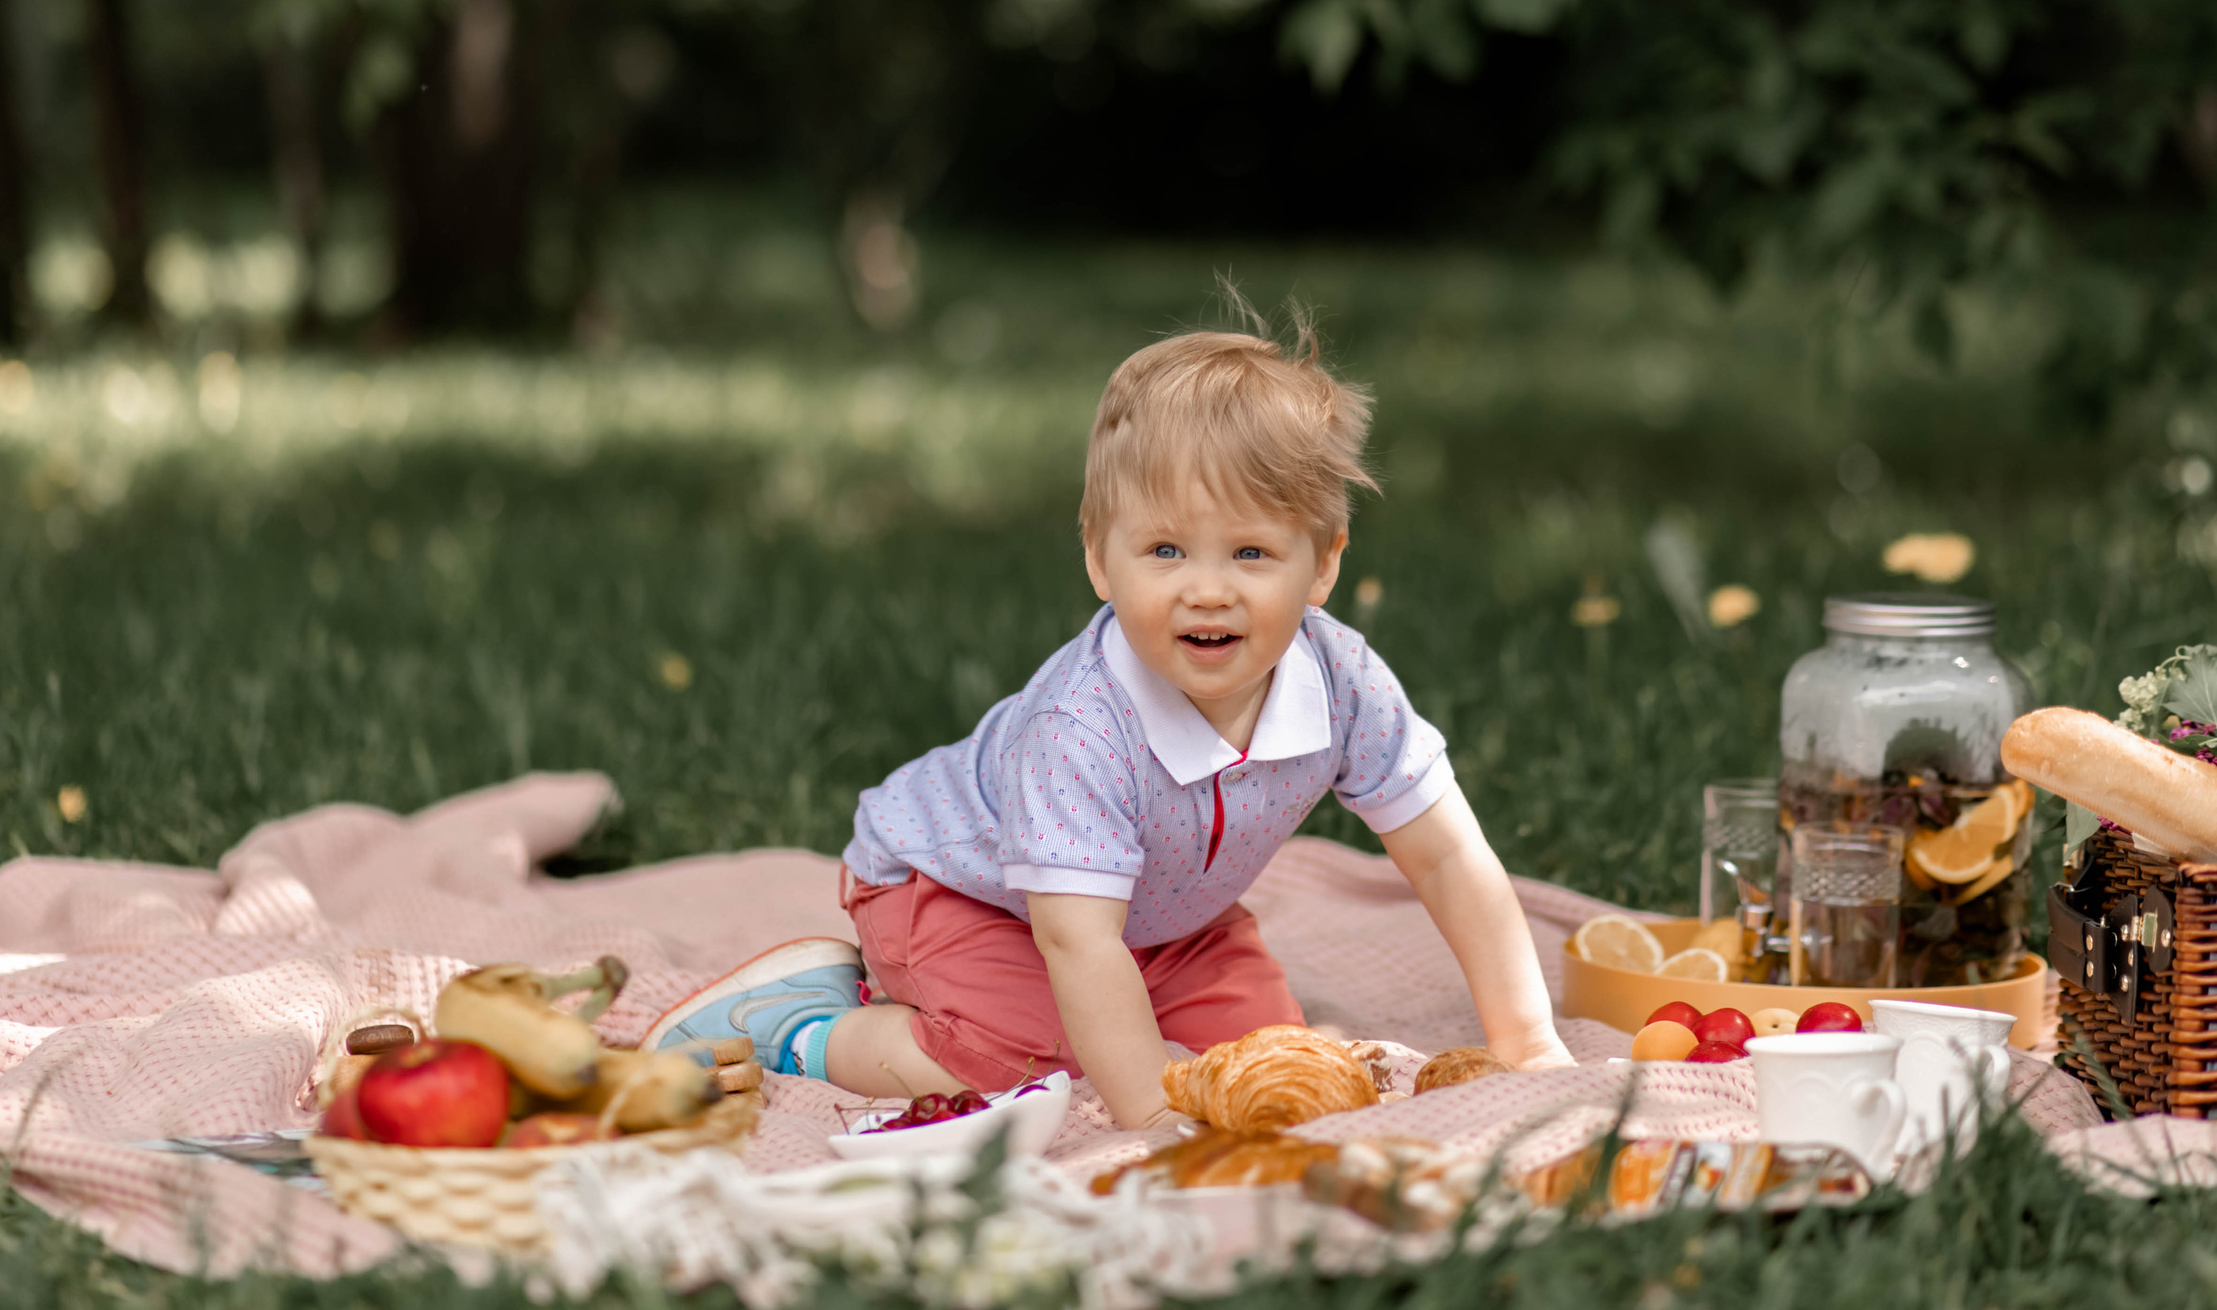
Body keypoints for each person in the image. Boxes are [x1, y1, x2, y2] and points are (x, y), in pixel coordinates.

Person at [645, 307, 1574, 1126]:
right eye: (1164, 548)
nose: (1207, 590)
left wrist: (1529, 1039)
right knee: (1027, 1054)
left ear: (1322, 565)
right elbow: (1073, 940)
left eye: (1252, 551)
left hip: (1163, 924)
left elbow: (1450, 857)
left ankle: (1150, 1031)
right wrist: (1145, 1112)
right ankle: (803, 1023)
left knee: (1268, 1062)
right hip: (958, 892)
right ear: (1099, 558)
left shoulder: (1343, 684)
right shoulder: (1082, 727)